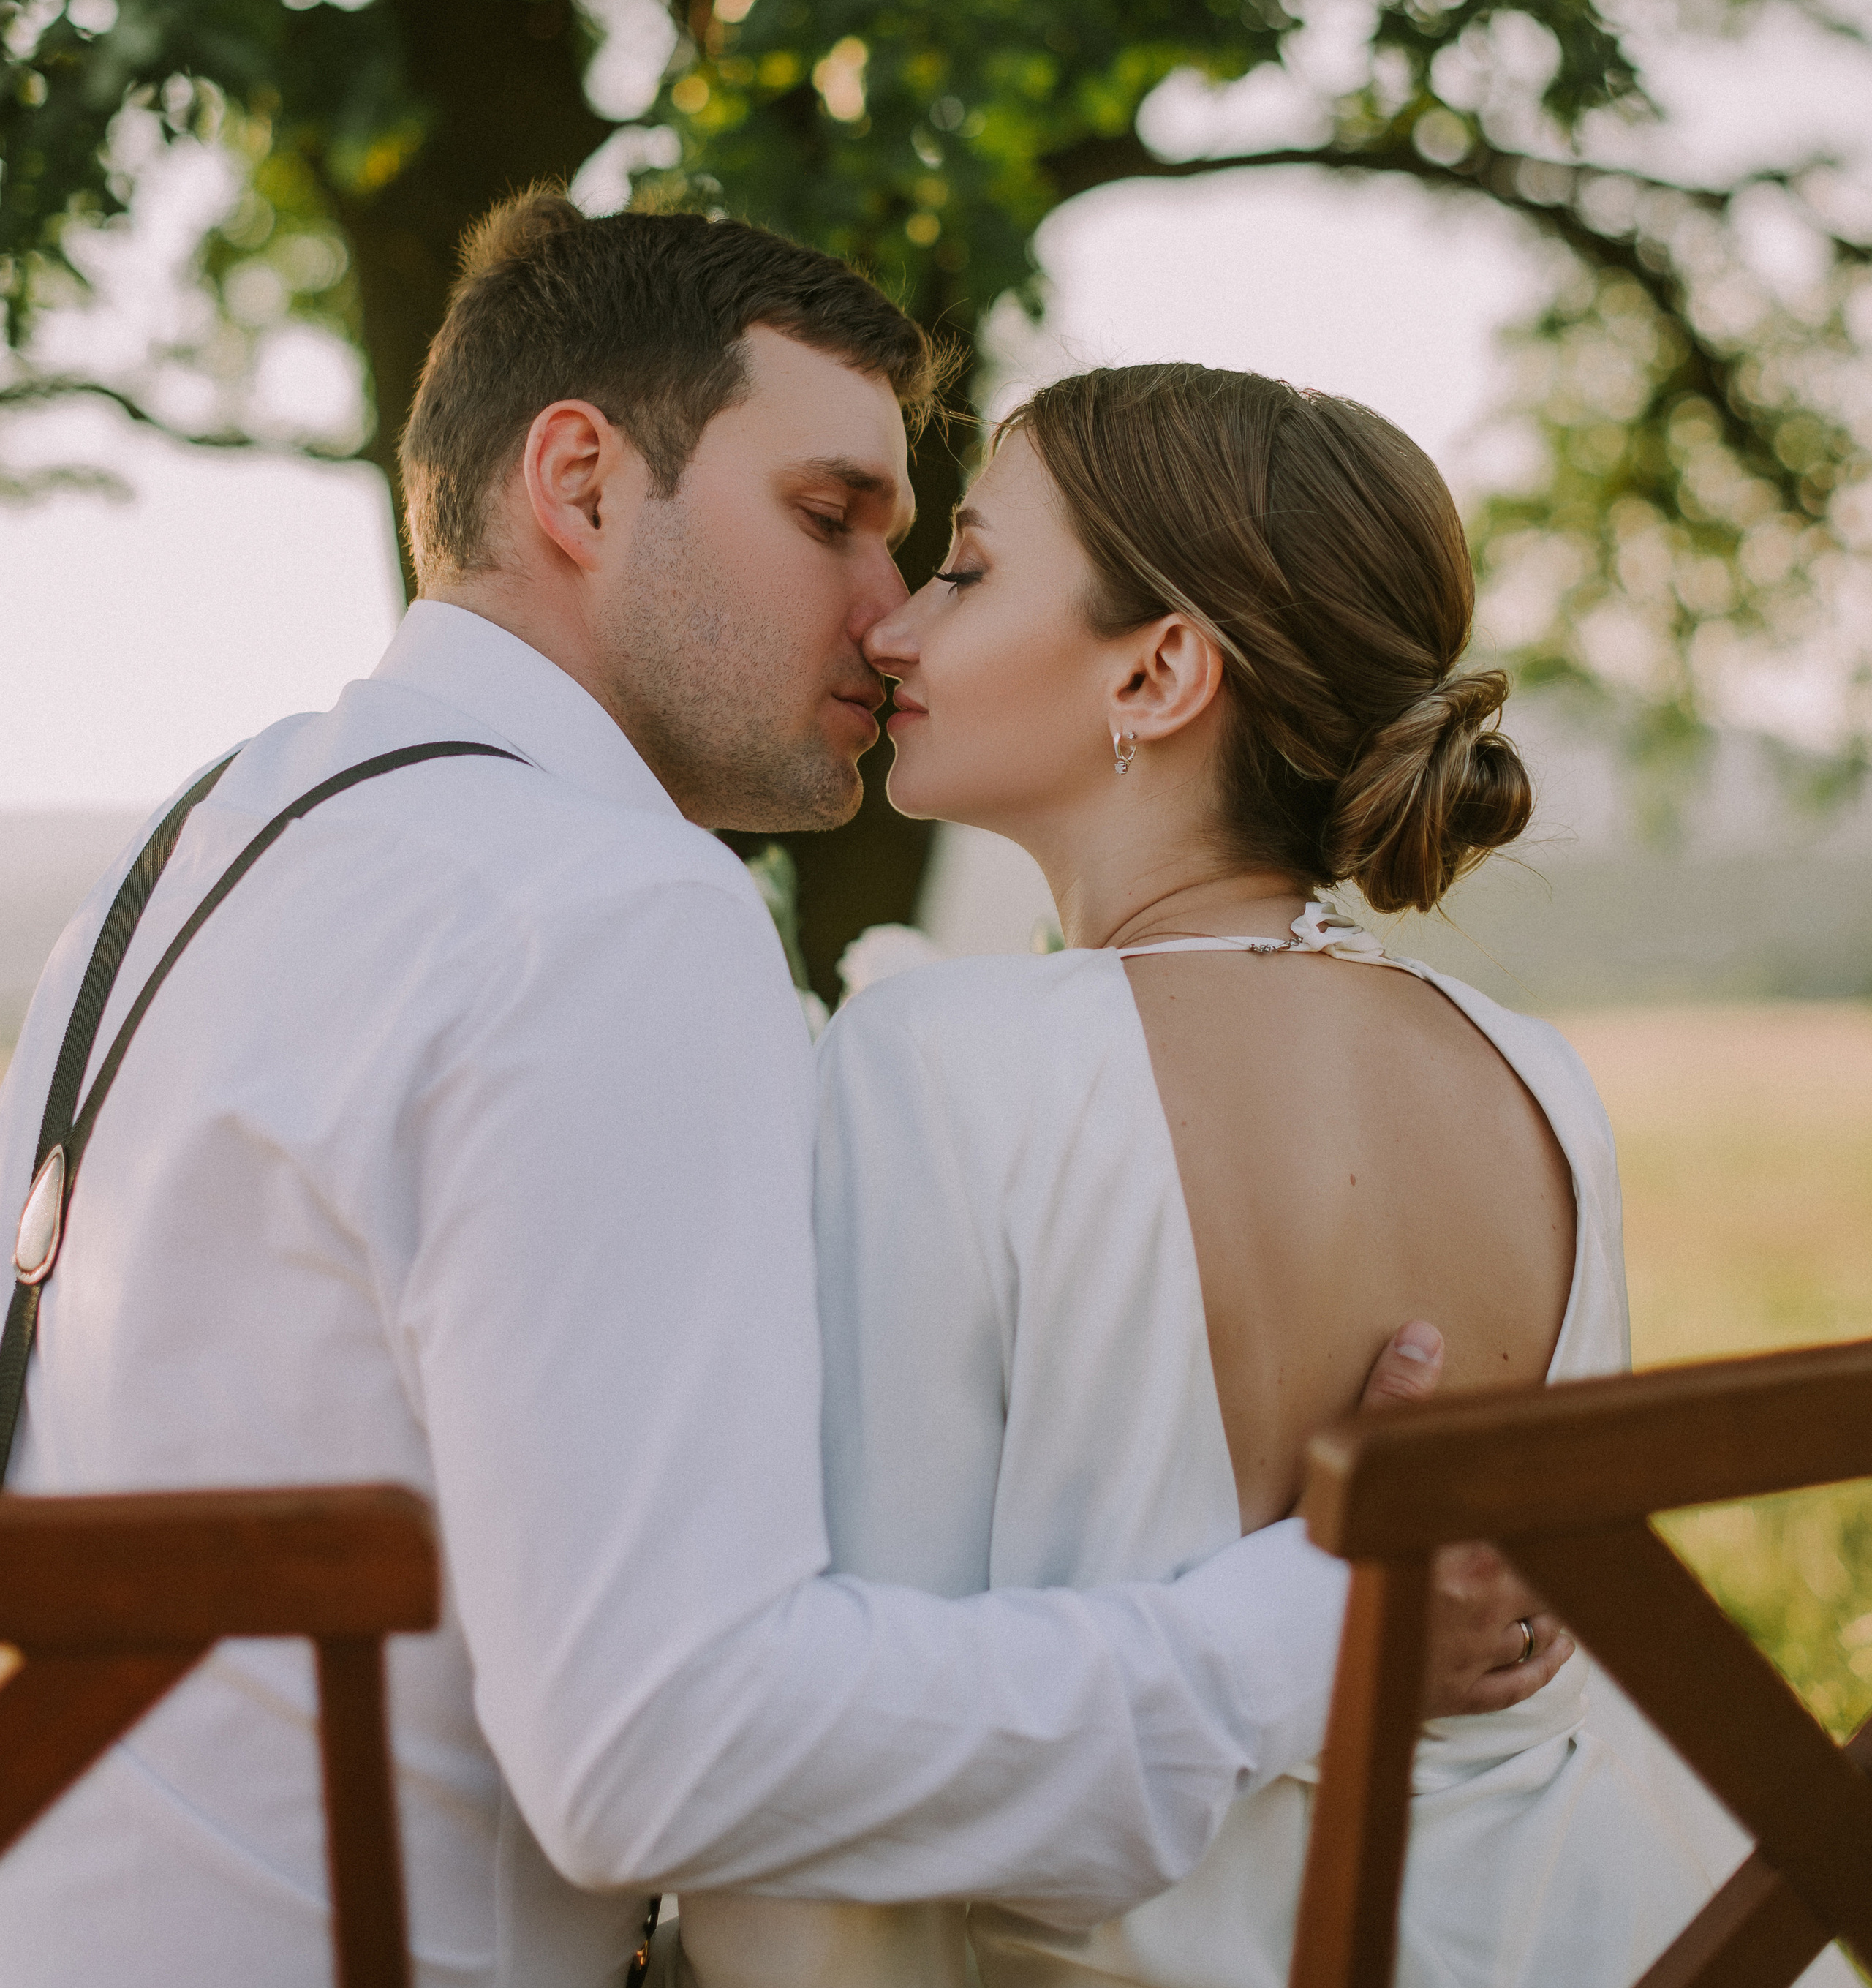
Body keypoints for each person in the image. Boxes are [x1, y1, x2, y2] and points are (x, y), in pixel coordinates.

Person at [0, 204, 1563, 1988]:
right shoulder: (602, 911)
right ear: (578, 484)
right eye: (830, 518)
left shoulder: (190, 847)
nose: (889, 614)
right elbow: (665, 1748)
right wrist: (1311, 1630)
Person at [673, 360, 1767, 1988]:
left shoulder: (935, 1064)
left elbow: (848, 1805)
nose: (894, 624)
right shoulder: (1534, 1075)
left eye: (966, 568)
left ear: (1161, 668)